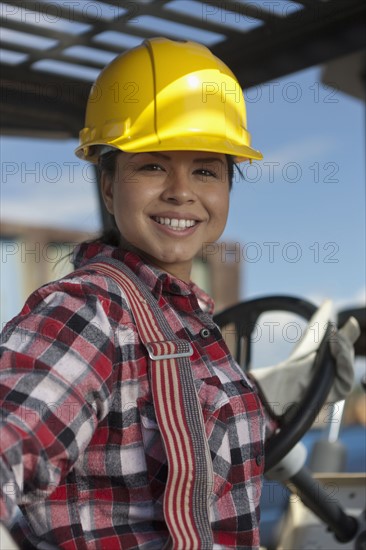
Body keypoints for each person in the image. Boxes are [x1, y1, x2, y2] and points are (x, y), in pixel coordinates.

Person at [0, 37, 359, 550]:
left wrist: (275, 397)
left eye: (206, 170)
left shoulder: (188, 321)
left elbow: (192, 438)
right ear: (108, 185)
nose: (181, 190)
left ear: (227, 189)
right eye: (152, 165)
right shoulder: (87, 311)